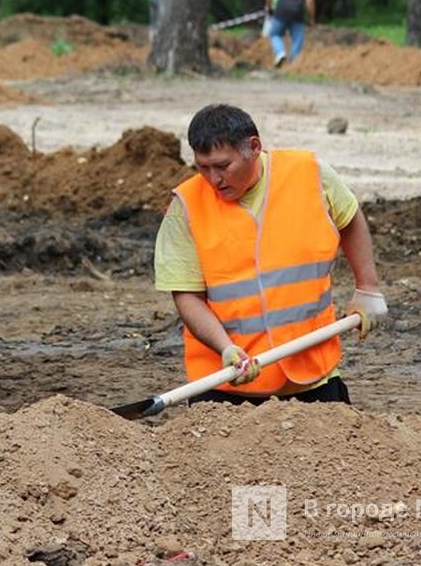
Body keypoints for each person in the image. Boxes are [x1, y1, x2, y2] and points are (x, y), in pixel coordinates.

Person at [153, 104, 387, 406]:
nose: (214, 179)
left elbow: (350, 219)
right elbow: (187, 295)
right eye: (203, 167)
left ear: (253, 147)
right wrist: (225, 348)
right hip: (224, 386)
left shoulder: (310, 175)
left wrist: (367, 286)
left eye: (223, 166)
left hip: (312, 375)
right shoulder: (186, 206)